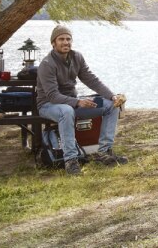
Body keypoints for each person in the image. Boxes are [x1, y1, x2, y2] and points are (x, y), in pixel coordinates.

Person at [36, 25, 127, 175]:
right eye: (61, 39)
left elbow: (92, 80)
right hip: (48, 105)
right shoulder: (47, 64)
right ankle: (71, 161)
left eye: (68, 39)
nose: (65, 42)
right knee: (66, 111)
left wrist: (112, 96)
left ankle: (104, 152)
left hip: (73, 103)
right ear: (53, 43)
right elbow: (53, 96)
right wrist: (77, 102)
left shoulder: (77, 57)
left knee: (111, 105)